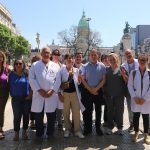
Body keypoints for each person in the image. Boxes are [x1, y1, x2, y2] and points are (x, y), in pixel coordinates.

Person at [29, 47, 60, 138]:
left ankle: (50, 133)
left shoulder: (56, 66)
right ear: (41, 54)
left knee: (51, 117)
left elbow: (58, 80)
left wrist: (52, 90)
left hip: (51, 95)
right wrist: (39, 90)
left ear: (50, 54)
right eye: (44, 52)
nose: (46, 54)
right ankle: (39, 133)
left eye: (48, 53)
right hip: (39, 95)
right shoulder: (35, 65)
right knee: (38, 117)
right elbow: (31, 79)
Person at [53, 54, 85, 138]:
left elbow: (78, 83)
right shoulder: (61, 71)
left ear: (73, 60)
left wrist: (79, 80)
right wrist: (59, 94)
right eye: (68, 59)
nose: (70, 60)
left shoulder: (76, 70)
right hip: (65, 94)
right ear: (65, 61)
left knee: (76, 113)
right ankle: (67, 129)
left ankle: (77, 130)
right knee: (66, 112)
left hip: (75, 94)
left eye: (71, 58)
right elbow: (58, 83)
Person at [80, 49, 106, 136]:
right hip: (88, 91)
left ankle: (98, 128)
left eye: (95, 55)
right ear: (89, 56)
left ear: (98, 56)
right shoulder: (84, 66)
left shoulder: (102, 66)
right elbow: (83, 80)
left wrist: (95, 89)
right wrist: (91, 90)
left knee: (99, 111)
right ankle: (88, 128)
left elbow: (103, 79)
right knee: (88, 111)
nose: (93, 56)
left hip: (98, 91)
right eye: (92, 55)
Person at [128, 53, 150, 144]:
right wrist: (134, 97)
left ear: (147, 61)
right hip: (135, 100)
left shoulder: (149, 73)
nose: (142, 62)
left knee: (146, 117)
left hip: (146, 101)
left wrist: (145, 98)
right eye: (140, 60)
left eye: (144, 60)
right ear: (138, 61)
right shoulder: (133, 73)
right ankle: (136, 133)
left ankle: (146, 134)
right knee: (136, 117)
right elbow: (130, 85)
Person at [9, 58, 31, 141]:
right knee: (17, 116)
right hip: (16, 99)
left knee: (26, 116)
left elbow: (31, 85)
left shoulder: (26, 74)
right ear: (14, 65)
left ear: (23, 65)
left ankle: (24, 132)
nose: (18, 65)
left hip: (26, 98)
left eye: (20, 64)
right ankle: (16, 133)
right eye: (17, 63)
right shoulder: (11, 74)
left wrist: (30, 94)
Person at [104, 53, 126, 135]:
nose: (112, 61)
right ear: (108, 61)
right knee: (110, 111)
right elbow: (104, 82)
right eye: (110, 59)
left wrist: (124, 75)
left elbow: (127, 81)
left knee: (119, 112)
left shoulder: (122, 68)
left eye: (113, 59)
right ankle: (110, 127)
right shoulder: (107, 69)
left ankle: (120, 128)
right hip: (109, 95)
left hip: (119, 94)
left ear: (117, 59)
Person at [121, 49, 139, 132]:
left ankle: (145, 125)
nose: (128, 55)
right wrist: (124, 76)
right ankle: (132, 124)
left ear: (132, 53)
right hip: (129, 90)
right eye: (126, 54)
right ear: (125, 56)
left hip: (140, 89)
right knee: (130, 107)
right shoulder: (123, 66)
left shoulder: (139, 62)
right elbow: (125, 79)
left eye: (129, 53)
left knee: (142, 106)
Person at [29, 54, 42, 129]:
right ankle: (32, 122)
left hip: (40, 91)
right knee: (33, 107)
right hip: (33, 90)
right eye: (35, 60)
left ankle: (38, 122)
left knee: (39, 108)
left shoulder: (41, 68)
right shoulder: (31, 68)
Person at [51, 49, 63, 130]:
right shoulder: (49, 64)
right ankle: (51, 122)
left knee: (59, 107)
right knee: (51, 107)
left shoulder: (61, 66)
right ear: (52, 55)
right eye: (54, 54)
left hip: (59, 89)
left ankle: (59, 122)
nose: (56, 56)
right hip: (50, 89)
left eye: (58, 54)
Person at [0, 51, 9, 140]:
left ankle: (0, 129)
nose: (0, 58)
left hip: (3, 92)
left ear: (3, 58)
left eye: (1, 57)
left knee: (1, 110)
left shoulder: (6, 68)